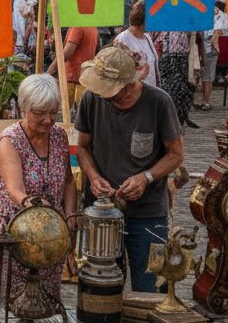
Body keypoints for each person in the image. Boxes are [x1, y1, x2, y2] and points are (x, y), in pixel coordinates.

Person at [76, 46, 184, 291]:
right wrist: (93, 177)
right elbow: (82, 148)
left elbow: (176, 154)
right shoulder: (91, 98)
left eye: (109, 93)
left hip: (147, 212)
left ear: (127, 86)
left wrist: (146, 177)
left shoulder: (158, 102)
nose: (104, 97)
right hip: (102, 211)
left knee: (150, 288)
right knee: (101, 288)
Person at [0, 74, 78, 305]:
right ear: (24, 108)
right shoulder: (10, 140)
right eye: (40, 113)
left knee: (43, 300)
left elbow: (68, 181)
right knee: (12, 301)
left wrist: (70, 215)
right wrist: (35, 205)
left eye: (53, 112)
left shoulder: (59, 136)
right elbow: (15, 190)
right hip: (14, 226)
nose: (48, 120)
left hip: (51, 231)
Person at [151, 30, 198, 127]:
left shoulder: (183, 28)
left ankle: (178, 121)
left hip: (179, 60)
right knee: (168, 92)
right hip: (166, 60)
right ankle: (173, 121)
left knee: (180, 91)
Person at [47, 25, 98, 108]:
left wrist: (52, 68)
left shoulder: (77, 26)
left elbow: (68, 51)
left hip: (72, 76)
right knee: (81, 110)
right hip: (84, 76)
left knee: (63, 110)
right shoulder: (93, 27)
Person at [114, 1, 159, 87]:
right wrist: (139, 75)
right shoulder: (122, 40)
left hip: (149, 91)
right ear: (141, 19)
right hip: (133, 92)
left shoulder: (147, 37)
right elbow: (118, 73)